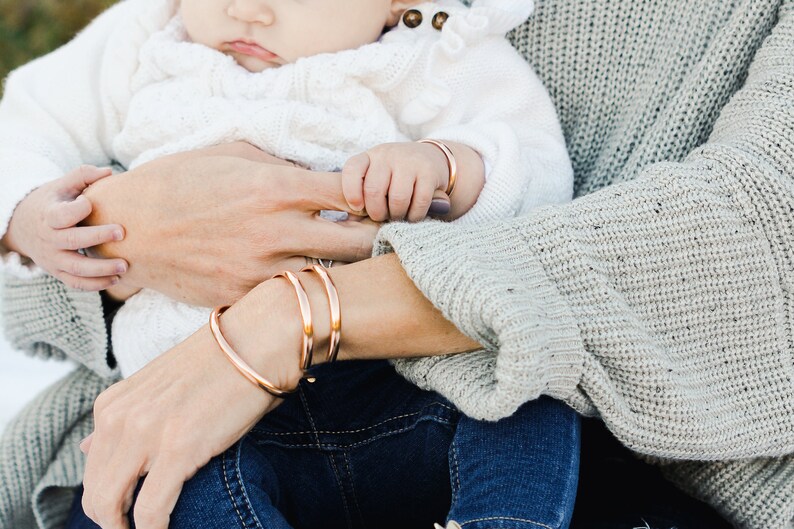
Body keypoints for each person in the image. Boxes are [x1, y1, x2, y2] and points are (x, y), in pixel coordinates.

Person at [1, 0, 792, 528]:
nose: (248, 9)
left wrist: (450, 168)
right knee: (167, 495)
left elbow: (533, 162)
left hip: (411, 371)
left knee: (523, 411)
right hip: (181, 388)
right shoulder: (146, 38)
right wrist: (60, 220)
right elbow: (24, 127)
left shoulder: (430, 56)